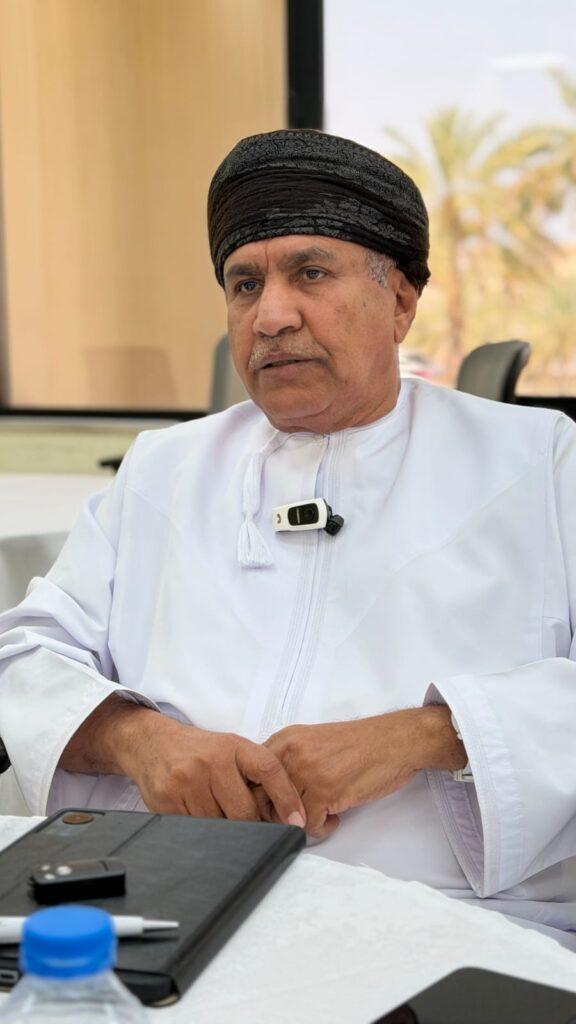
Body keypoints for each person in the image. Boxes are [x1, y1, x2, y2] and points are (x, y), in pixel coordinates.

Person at [1, 129, 576, 949]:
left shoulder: (540, 460)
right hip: (173, 905)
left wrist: (429, 736)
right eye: (245, 284)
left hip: (458, 926)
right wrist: (139, 740)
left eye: (311, 273)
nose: (270, 316)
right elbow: (25, 655)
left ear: (401, 302)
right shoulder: (165, 467)